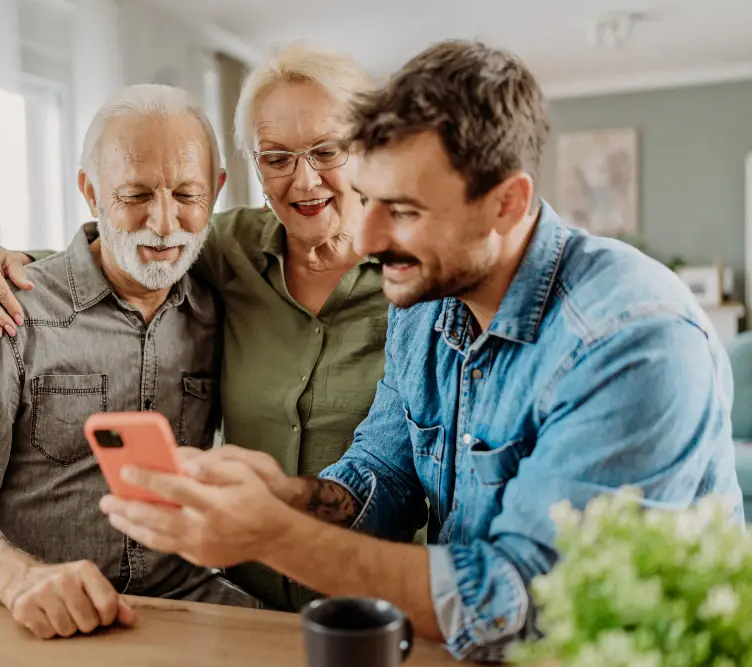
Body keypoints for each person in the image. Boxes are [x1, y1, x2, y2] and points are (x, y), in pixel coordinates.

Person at [95, 41, 746, 662]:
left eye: (401, 210)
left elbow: (522, 599)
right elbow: (385, 467)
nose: (370, 237)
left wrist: (272, 533)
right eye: (371, 199)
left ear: (506, 203)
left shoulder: (633, 341)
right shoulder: (428, 300)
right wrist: (290, 495)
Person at [0, 43, 387, 610]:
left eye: (326, 151)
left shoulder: (419, 281)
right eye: (276, 157)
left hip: (370, 599)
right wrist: (3, 262)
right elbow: (126, 258)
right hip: (241, 601)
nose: (304, 182)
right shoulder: (232, 252)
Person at [0, 84, 260, 642]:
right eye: (135, 194)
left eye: (187, 193)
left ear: (217, 191)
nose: (164, 222)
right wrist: (21, 579)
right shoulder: (8, 310)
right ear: (91, 192)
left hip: (181, 603)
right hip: (35, 613)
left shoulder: (216, 310)